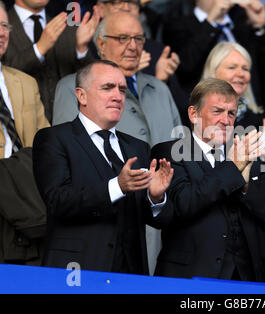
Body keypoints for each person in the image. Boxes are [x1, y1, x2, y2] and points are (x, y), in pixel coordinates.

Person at [52, 11, 182, 275]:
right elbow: (71, 158)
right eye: (122, 38)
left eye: (138, 39)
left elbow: (178, 150)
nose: (132, 46)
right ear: (100, 44)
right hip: (98, 238)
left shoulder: (161, 88)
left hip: (156, 225)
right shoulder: (70, 87)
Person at [33, 60, 174, 275]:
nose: (118, 96)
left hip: (131, 275)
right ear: (81, 96)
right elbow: (58, 201)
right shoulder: (53, 138)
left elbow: (159, 220)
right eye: (107, 88)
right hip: (77, 273)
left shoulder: (138, 147)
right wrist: (117, 186)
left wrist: (155, 199)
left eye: (122, 89)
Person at [151, 78, 265, 282]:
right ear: (193, 114)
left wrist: (247, 186)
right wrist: (232, 167)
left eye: (231, 113)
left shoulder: (248, 155)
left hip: (245, 280)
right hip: (190, 277)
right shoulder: (169, 151)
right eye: (217, 111)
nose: (226, 120)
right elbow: (183, 204)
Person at [0, 0, 49, 266]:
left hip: (30, 204)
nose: (1, 32)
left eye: (5, 25)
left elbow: (46, 142)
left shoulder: (26, 83)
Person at [3, 0, 100, 121]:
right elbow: (4, 76)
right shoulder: (3, 26)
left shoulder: (66, 27)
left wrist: (81, 49)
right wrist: (39, 49)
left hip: (66, 126)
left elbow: (89, 83)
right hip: (19, 127)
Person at [162, 0, 265, 95]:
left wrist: (259, 26)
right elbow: (185, 66)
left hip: (248, 105)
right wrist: (211, 20)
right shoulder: (178, 25)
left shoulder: (241, 25)